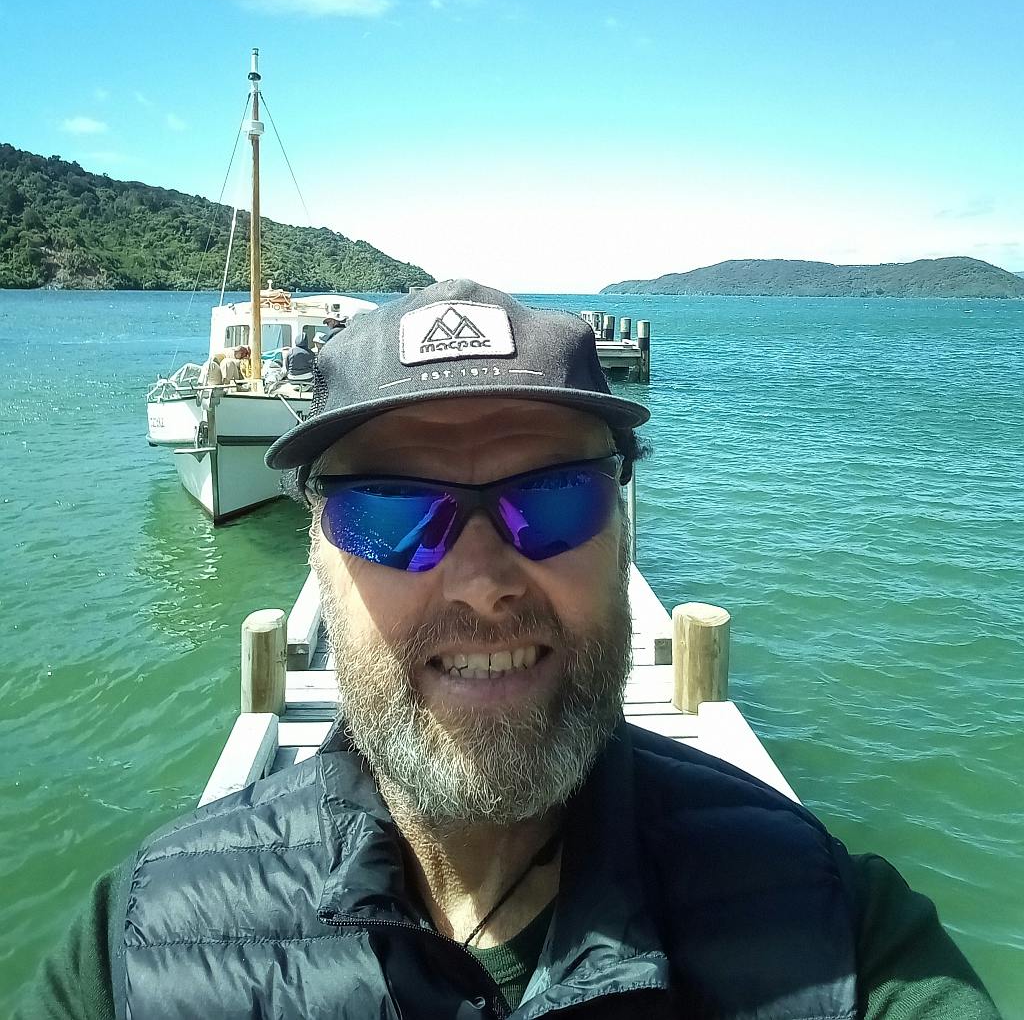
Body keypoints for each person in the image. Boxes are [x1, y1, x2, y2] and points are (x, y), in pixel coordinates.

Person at [15, 281, 1001, 1019]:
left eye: (553, 500)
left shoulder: (838, 940)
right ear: (318, 551)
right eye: (392, 513)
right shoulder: (138, 955)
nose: (484, 581)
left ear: (623, 526)